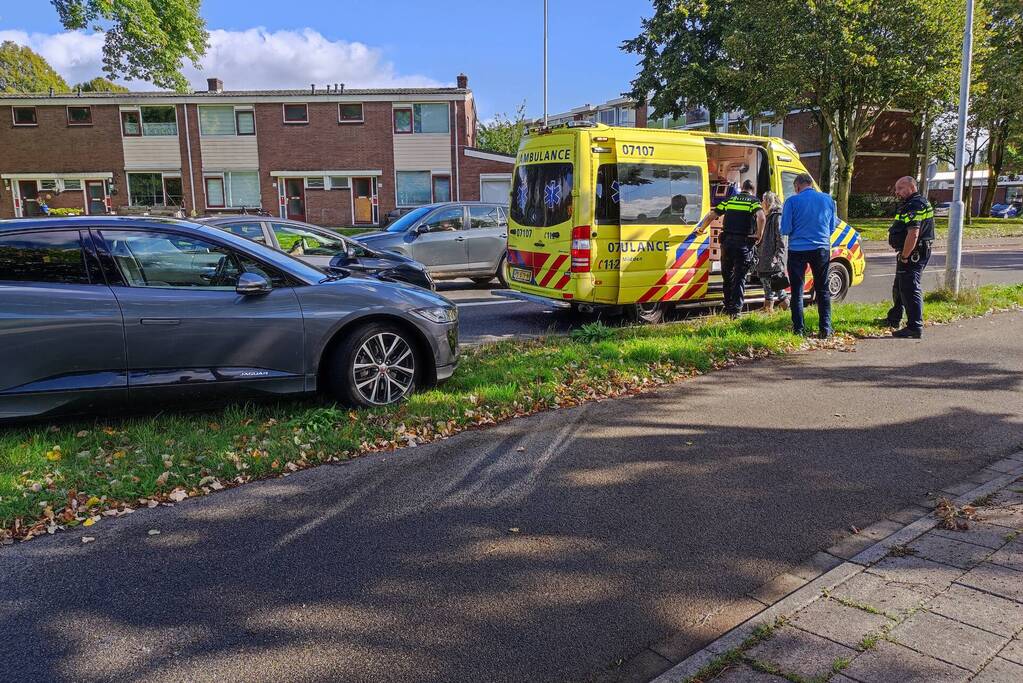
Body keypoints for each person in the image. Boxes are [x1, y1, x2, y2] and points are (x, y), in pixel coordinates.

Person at [780, 173, 838, 338]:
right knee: (822, 289)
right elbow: (831, 227)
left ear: (797, 186)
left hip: (797, 250)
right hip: (821, 249)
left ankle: (799, 329)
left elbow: (785, 229)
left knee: (797, 291)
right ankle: (825, 329)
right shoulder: (828, 200)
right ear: (811, 184)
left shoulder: (792, 201)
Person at [697, 179, 765, 317]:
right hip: (743, 244)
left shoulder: (730, 200)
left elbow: (712, 215)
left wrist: (701, 229)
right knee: (740, 277)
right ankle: (736, 311)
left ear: (742, 189)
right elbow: (762, 218)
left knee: (727, 276)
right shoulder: (753, 201)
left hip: (727, 244)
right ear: (753, 190)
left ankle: (728, 305)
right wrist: (758, 236)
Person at [885, 176, 935, 338]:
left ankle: (914, 326)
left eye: (900, 188)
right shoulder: (915, 202)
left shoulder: (914, 205)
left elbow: (913, 233)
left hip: (913, 253)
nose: (897, 192)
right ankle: (895, 317)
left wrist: (905, 256)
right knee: (900, 285)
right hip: (912, 251)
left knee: (910, 287)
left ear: (911, 187)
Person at [756, 191, 788, 313]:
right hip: (766, 254)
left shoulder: (777, 216)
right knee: (769, 280)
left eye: (763, 200)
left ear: (768, 202)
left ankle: (770, 306)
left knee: (772, 280)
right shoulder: (770, 215)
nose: (761, 203)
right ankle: (777, 305)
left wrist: (778, 256)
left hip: (772, 255)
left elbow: (781, 237)